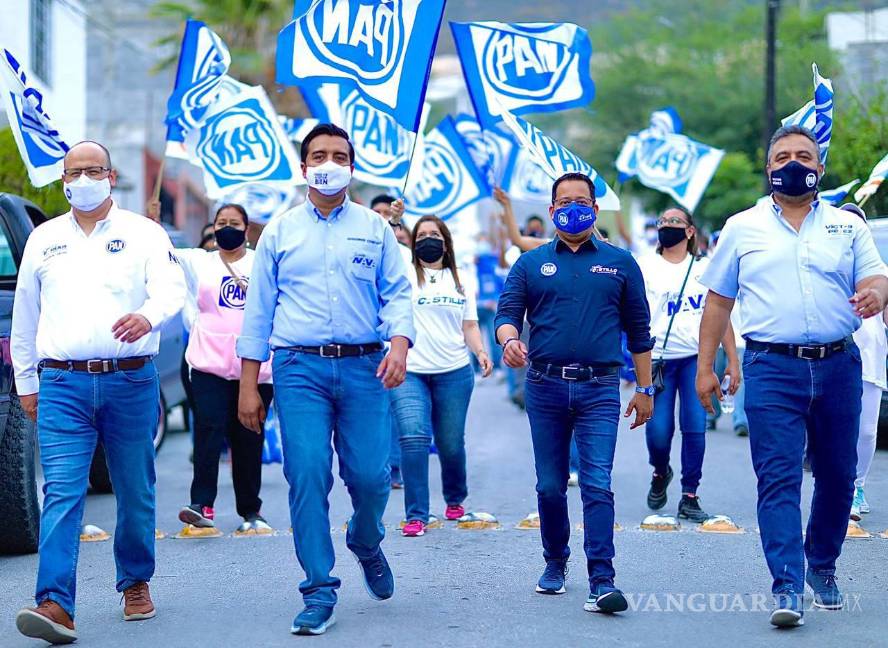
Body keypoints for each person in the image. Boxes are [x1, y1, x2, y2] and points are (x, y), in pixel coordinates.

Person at [696, 125, 888, 628]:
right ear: (769, 168)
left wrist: (877, 293)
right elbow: (718, 301)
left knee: (837, 477)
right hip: (771, 369)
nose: (794, 163)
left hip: (838, 365)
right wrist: (704, 368)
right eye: (783, 156)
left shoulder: (849, 227)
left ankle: (821, 564)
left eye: (804, 155)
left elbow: (876, 277)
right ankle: (787, 584)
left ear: (820, 168)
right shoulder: (743, 227)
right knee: (778, 479)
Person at [236, 123, 414, 636]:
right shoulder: (280, 231)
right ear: (304, 166)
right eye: (319, 155)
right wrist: (250, 385)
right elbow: (258, 313)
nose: (329, 162)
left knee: (370, 477)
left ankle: (365, 538)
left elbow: (398, 294)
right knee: (308, 473)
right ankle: (318, 588)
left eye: (339, 155)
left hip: (365, 367)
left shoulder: (375, 229)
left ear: (352, 166)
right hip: (298, 368)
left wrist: (399, 344)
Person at [11, 141, 185, 644]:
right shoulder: (44, 239)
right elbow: (25, 315)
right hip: (62, 382)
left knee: (135, 487)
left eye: (94, 170)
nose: (84, 178)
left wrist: (147, 316)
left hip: (130, 379)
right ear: (63, 180)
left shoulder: (143, 233)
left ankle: (134, 582)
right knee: (62, 490)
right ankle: (55, 603)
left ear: (111, 175)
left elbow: (171, 289)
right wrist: (27, 382)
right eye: (74, 171)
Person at [495, 172, 654, 616]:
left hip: (600, 388)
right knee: (550, 486)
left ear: (595, 209)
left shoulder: (620, 263)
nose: (573, 208)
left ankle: (602, 578)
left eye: (581, 201)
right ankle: (555, 561)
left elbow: (640, 333)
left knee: (597, 483)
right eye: (564, 202)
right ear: (551, 211)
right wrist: (509, 340)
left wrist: (644, 389)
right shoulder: (531, 263)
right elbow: (507, 315)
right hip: (544, 387)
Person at [163, 204, 275, 532]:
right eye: (221, 222)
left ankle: (250, 511)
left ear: (246, 228)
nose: (227, 227)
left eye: (234, 223)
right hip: (208, 365)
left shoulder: (262, 264)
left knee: (248, 438)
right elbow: (159, 250)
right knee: (208, 429)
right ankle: (202, 504)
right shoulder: (199, 261)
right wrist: (155, 219)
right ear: (213, 228)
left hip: (255, 368)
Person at [390, 216, 493, 537]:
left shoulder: (461, 279)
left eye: (435, 235)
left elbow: (470, 325)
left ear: (446, 242)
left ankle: (454, 497)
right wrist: (395, 218)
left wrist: (481, 352)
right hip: (410, 372)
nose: (428, 240)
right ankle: (417, 514)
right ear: (412, 241)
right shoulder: (402, 274)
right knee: (413, 439)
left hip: (454, 372)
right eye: (422, 235)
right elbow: (386, 241)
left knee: (449, 443)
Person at [637, 208, 739, 522]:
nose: (668, 227)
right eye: (663, 223)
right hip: (659, 361)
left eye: (675, 222)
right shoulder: (644, 265)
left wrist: (733, 361)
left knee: (695, 427)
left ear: (690, 231)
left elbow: (719, 314)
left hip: (698, 361)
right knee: (658, 431)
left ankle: (689, 494)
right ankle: (660, 471)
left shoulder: (706, 268)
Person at [840, 202, 888, 520]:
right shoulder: (828, 270)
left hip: (870, 360)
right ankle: (839, 487)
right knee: (837, 428)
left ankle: (857, 486)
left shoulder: (880, 274)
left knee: (867, 431)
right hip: (835, 359)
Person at [370, 194, 409, 489]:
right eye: (377, 213)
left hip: (395, 345)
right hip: (365, 348)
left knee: (395, 408)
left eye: (388, 214)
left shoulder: (405, 255)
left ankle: (393, 465)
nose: (382, 217)